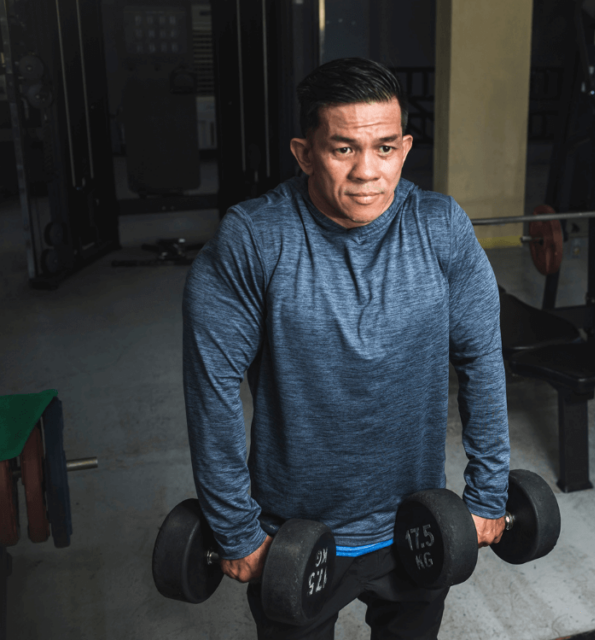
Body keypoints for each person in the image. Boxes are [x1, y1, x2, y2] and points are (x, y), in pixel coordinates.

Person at [182, 57, 510, 639]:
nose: (368, 172)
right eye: (342, 150)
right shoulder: (255, 238)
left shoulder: (440, 227)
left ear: (405, 148)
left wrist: (488, 492)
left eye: (385, 148)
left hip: (418, 524)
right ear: (304, 152)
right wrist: (235, 529)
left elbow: (482, 357)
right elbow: (211, 386)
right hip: (294, 535)